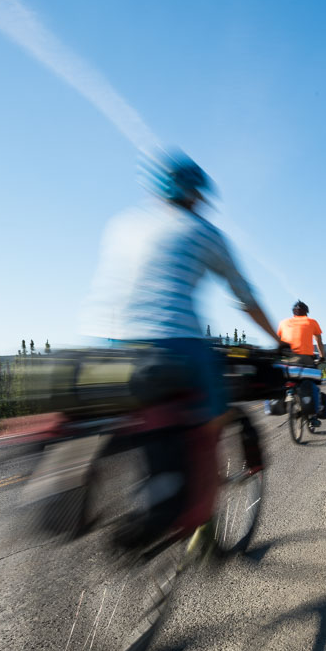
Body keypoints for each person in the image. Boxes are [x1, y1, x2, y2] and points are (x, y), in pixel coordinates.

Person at [81, 148, 279, 537]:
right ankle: (198, 516)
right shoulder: (204, 231)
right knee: (212, 418)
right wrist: (277, 340)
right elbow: (245, 298)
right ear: (196, 194)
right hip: (174, 342)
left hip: (105, 344)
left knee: (134, 414)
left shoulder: (124, 224)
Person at [277, 301, 326, 426]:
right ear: (307, 312)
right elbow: (318, 342)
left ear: (293, 312)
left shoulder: (283, 323)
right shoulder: (311, 322)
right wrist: (322, 356)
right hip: (305, 359)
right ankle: (312, 417)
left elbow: (279, 341)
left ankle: (289, 394)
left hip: (285, 359)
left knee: (287, 378)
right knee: (311, 383)